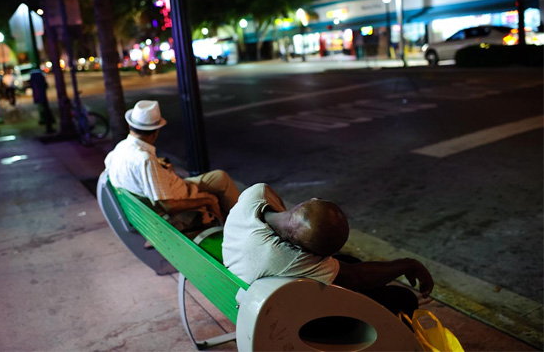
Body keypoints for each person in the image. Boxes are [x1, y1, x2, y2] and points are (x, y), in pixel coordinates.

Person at [222, 183, 434, 317]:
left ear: (312, 200)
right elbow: (356, 278)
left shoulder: (256, 193)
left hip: (246, 283)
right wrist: (409, 263)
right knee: (402, 298)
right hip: (278, 314)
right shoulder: (286, 258)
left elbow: (351, 271)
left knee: (347, 261)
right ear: (299, 248)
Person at [105, 100, 240, 232]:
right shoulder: (145, 160)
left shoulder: (121, 147)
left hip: (175, 186)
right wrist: (208, 201)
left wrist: (160, 167)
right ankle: (241, 226)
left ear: (130, 127)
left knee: (220, 177)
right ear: (155, 132)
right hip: (180, 195)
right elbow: (169, 206)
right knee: (215, 196)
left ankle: (241, 222)